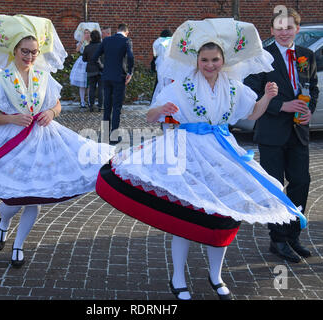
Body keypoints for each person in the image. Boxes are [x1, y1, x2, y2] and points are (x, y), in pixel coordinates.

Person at [96, 18, 307, 300]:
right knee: (187, 215)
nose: (210, 65)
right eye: (205, 60)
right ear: (197, 61)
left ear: (223, 60)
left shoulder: (233, 88)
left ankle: (215, 276)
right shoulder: (182, 86)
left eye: (215, 59)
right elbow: (153, 116)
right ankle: (178, 277)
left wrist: (267, 98)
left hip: (221, 151)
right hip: (189, 152)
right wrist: (163, 110)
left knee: (221, 215)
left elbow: (252, 113)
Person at [0, 14, 114, 268]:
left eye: (34, 52)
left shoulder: (43, 77)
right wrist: (11, 119)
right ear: (14, 50)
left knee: (34, 196)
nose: (30, 57)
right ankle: (3, 222)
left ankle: (18, 246)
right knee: (13, 200)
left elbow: (56, 104)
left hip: (42, 141)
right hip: (11, 143)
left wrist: (51, 112)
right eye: (25, 51)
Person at [244, 8, 319, 263]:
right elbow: (251, 92)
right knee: (275, 187)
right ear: (272, 30)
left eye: (289, 27)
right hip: (272, 133)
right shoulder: (262, 57)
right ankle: (277, 240)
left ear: (297, 29)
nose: (284, 32)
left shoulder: (307, 56)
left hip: (299, 132)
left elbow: (314, 88)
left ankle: (293, 235)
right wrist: (280, 106)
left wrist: (309, 110)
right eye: (279, 27)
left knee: (301, 183)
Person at [92, 23, 134, 144]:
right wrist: (130, 72)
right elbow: (130, 57)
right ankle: (114, 136)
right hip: (119, 77)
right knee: (116, 107)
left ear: (117, 30)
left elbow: (95, 57)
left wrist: (102, 69)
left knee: (107, 106)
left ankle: (105, 136)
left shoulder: (106, 40)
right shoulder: (126, 41)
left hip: (106, 77)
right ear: (127, 32)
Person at [82, 30, 103, 112]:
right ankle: (100, 106)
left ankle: (91, 106)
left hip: (91, 70)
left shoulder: (87, 47)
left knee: (92, 88)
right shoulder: (102, 46)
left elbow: (84, 59)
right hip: (101, 69)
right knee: (101, 88)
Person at [70, 27, 91, 108]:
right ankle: (82, 101)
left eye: (88, 33)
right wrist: (82, 41)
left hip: (90, 62)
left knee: (89, 83)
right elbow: (77, 50)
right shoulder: (81, 42)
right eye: (85, 33)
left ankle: (89, 100)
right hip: (82, 62)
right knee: (82, 83)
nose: (86, 34)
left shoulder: (92, 42)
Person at [151, 29, 173, 104]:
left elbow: (155, 55)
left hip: (159, 64)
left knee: (160, 84)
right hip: (170, 65)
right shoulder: (172, 42)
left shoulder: (157, 42)